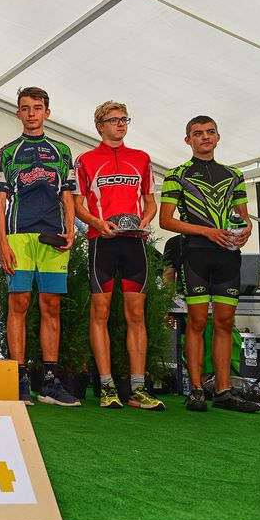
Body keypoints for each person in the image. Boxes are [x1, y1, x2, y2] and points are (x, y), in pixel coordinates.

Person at [159, 116, 258, 413]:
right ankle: (196, 390)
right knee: (197, 322)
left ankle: (224, 391)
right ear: (188, 140)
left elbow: (243, 217)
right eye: (198, 133)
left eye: (210, 132)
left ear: (218, 137)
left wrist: (246, 230)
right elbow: (166, 220)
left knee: (225, 323)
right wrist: (206, 231)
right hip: (195, 255)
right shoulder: (177, 174)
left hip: (227, 256)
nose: (205, 137)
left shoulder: (234, 175)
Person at [73, 101, 163, 410]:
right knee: (100, 313)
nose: (120, 124)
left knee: (136, 315)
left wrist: (146, 220)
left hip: (135, 243)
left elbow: (150, 201)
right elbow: (78, 206)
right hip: (103, 242)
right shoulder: (85, 161)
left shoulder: (141, 159)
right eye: (113, 120)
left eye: (124, 119)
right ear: (100, 126)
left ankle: (138, 389)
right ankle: (106, 386)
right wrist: (98, 223)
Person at [0, 87, 79, 406]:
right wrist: (2, 241)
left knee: (51, 305)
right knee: (19, 303)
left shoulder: (62, 151)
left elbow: (67, 194)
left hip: (53, 236)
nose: (31, 113)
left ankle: (50, 382)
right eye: (25, 108)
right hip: (18, 235)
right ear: (18, 113)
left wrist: (71, 229)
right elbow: (0, 200)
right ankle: (19, 378)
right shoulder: (7, 152)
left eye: (37, 107)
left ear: (47, 112)